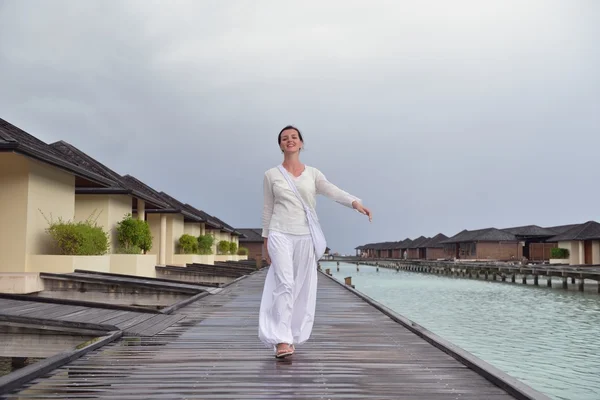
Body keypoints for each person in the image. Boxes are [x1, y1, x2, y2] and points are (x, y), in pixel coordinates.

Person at [258, 125, 372, 358]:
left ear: (301, 143)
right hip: (280, 233)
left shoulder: (313, 174)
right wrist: (265, 240)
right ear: (280, 145)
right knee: (285, 284)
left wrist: (354, 202)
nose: (289, 141)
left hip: (305, 235)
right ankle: (281, 340)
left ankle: (292, 334)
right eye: (284, 138)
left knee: (300, 287)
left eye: (294, 137)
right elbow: (268, 209)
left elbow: (332, 191)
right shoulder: (271, 175)